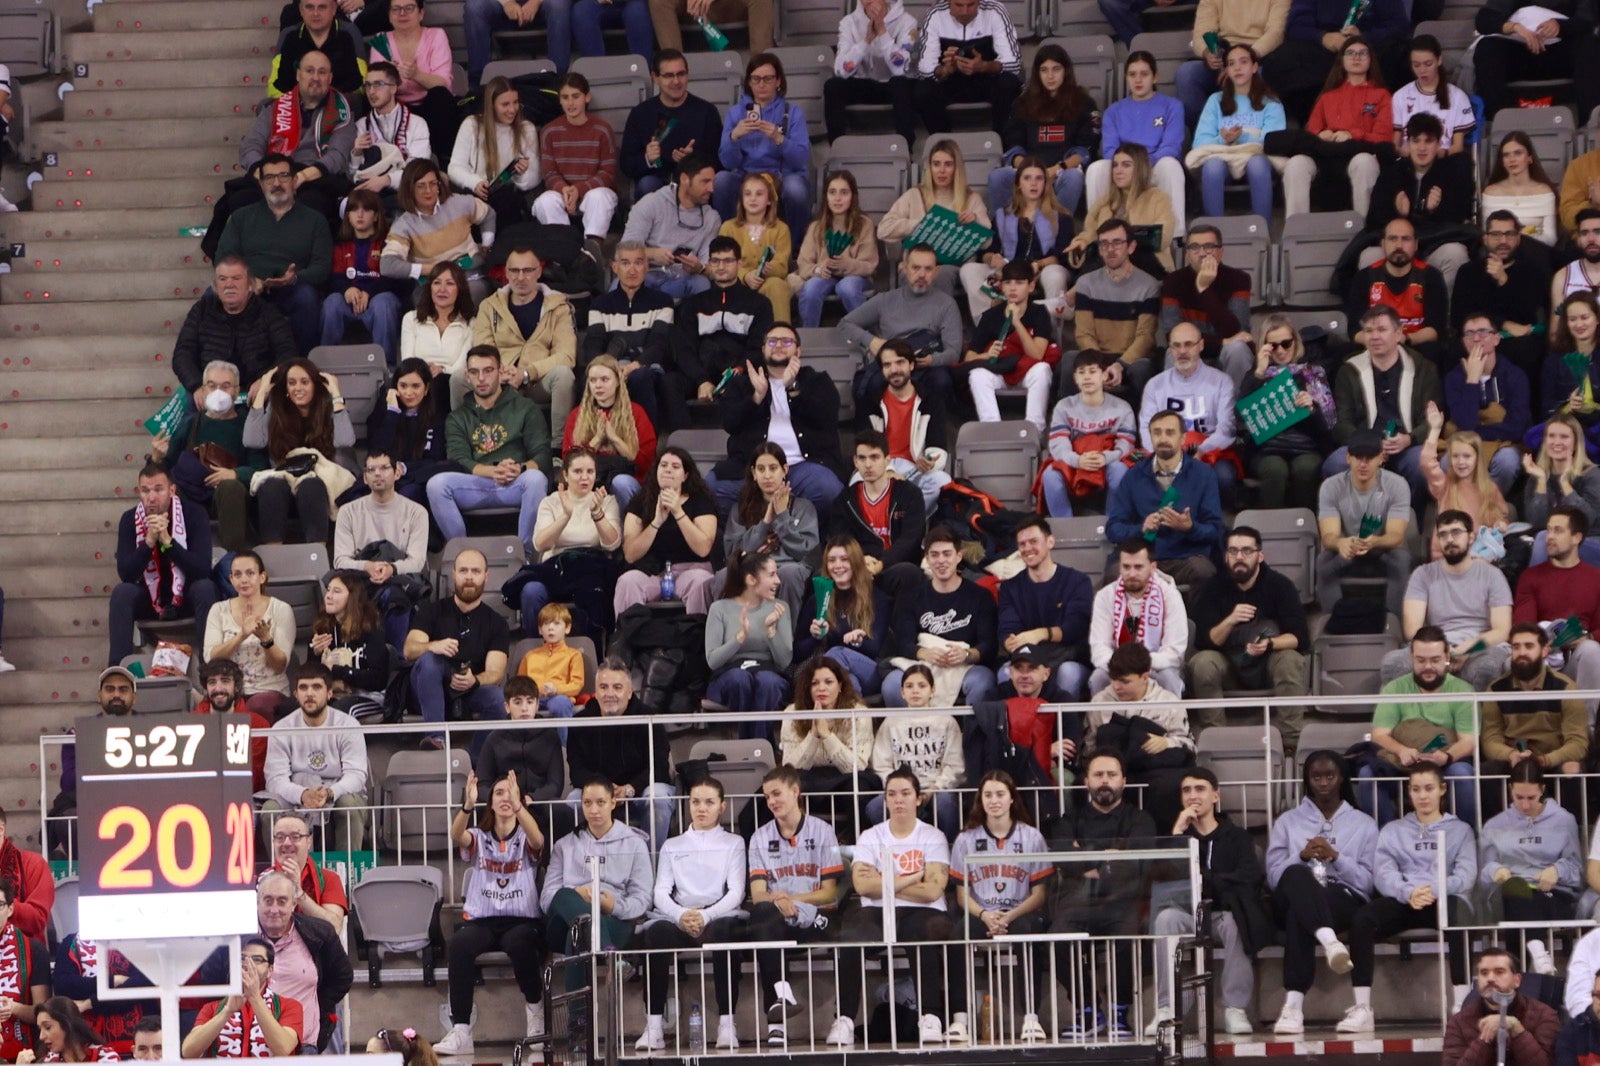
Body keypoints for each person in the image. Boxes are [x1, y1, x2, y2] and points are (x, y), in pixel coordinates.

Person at [1340, 763, 1476, 1032]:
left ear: (1442, 790)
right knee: (1363, 918)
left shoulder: (1460, 830)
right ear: (1408, 792)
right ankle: (1362, 1007)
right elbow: (1383, 873)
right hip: (1407, 898)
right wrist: (1407, 892)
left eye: (1428, 789)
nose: (1423, 796)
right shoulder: (1393, 830)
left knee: (1461, 914)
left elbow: (1466, 876)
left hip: (1444, 897)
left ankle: (1462, 1006)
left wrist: (1433, 890)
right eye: (1416, 789)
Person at [828, 767, 956, 1046]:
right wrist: (912, 877)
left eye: (905, 794)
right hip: (875, 910)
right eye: (892, 794)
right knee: (850, 936)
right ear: (885, 800)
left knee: (921, 931)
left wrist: (884, 880)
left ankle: (931, 1016)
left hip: (926, 911)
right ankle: (845, 1019)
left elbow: (933, 889)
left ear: (918, 799)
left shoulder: (932, 837)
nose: (899, 800)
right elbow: (862, 887)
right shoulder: (871, 836)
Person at [432, 770, 548, 1056]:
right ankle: (461, 1030)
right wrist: (467, 806)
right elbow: (456, 834)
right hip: (483, 920)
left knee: (520, 944)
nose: (505, 798)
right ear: (491, 803)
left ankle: (536, 1018)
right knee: (459, 944)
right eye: (499, 793)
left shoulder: (525, 833)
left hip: (521, 920)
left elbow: (538, 841)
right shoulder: (480, 837)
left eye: (510, 792)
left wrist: (520, 806)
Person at [1266, 751, 1380, 1035]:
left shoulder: (1364, 823)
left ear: (1341, 778)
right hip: (1293, 889)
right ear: (1308, 780)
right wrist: (1301, 857)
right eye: (1316, 777)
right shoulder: (1288, 821)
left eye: (1330, 776)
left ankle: (1293, 1006)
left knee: (1300, 913)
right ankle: (1330, 942)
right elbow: (1273, 877)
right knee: (1295, 875)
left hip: (1342, 897)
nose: (1323, 783)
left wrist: (1336, 857)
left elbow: (1367, 883)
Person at [1046, 751, 1157, 1040]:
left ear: (1124, 781)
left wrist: (1087, 861)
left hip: (1122, 900)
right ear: (1086, 782)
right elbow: (1062, 857)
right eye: (1098, 775)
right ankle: (1087, 1010)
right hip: (1078, 901)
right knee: (1058, 936)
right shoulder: (1068, 820)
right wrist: (1110, 858)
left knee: (1128, 936)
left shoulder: (1141, 819)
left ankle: (1120, 1010)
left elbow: (1137, 863)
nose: (1104, 781)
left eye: (1111, 774)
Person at [205, 52, 355, 264]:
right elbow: (250, 147)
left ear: (330, 78)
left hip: (315, 177)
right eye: (309, 71)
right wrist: (264, 174)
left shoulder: (343, 112)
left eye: (322, 72)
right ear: (298, 75)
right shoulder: (275, 108)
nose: (316, 77)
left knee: (315, 206)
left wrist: (299, 178)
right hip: (272, 171)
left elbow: (337, 156)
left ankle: (300, 266)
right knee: (237, 200)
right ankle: (233, 269)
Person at [1149, 767, 1266, 1036]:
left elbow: (1247, 879)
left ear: (1215, 795)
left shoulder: (1237, 837)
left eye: (1200, 789)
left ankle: (1235, 1008)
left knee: (1237, 922)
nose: (1193, 796)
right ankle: (1167, 1008)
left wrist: (1205, 880)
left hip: (1223, 912)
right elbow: (1162, 878)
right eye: (1186, 790)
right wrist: (1177, 834)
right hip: (1186, 912)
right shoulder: (1177, 838)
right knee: (1165, 919)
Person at [634, 777, 747, 1051]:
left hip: (718, 916)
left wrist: (706, 916)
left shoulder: (734, 842)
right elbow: (660, 892)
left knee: (725, 934)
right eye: (696, 801)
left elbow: (736, 892)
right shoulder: (673, 845)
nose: (701, 808)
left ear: (722, 806)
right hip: (680, 918)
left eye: (709, 802)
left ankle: (726, 1024)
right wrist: (682, 915)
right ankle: (654, 1026)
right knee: (656, 934)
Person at [739, 765, 846, 1045]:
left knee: (765, 927)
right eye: (767, 797)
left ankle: (778, 1019)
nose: (772, 801)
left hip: (816, 920)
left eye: (777, 794)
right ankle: (780, 1001)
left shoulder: (823, 831)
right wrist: (779, 902)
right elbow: (759, 894)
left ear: (795, 791)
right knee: (762, 919)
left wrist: (790, 900)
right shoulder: (760, 837)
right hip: (777, 921)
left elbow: (828, 894)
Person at [947, 770, 1054, 1042]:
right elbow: (962, 895)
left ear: (1011, 799)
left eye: (1000, 794)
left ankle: (1031, 1016)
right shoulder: (965, 839)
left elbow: (1040, 894)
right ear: (980, 800)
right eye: (988, 795)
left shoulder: (1032, 837)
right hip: (981, 912)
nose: (994, 800)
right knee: (959, 932)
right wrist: (984, 915)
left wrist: (1009, 916)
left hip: (1021, 911)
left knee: (1027, 931)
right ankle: (960, 1019)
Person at [706, 323, 845, 516]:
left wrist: (793, 387)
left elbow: (826, 418)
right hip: (753, 469)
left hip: (803, 467)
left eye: (786, 341)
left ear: (798, 350)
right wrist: (756, 398)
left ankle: (808, 542)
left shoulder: (816, 380)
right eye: (772, 341)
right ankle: (747, 541)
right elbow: (730, 423)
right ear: (763, 349)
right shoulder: (744, 383)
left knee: (828, 489)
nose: (778, 345)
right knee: (711, 488)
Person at [1188, 525, 1310, 744]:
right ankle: (1216, 738)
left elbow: (1300, 637)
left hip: (1268, 664)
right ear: (1226, 556)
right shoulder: (1213, 587)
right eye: (1233, 551)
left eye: (1246, 551)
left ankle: (1291, 740)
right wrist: (1230, 620)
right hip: (1229, 667)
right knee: (1202, 662)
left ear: (1260, 555)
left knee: (1290, 659)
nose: (1239, 557)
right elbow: (1204, 641)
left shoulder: (1280, 586)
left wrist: (1270, 644)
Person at [214, 152, 334, 356]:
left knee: (307, 297)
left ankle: (299, 364)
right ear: (261, 184)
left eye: (283, 176)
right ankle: (223, 367)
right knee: (214, 295)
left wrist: (294, 278)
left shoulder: (315, 220)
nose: (277, 183)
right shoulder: (241, 217)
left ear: (295, 180)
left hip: (292, 289)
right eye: (269, 178)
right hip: (250, 288)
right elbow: (224, 258)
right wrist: (249, 281)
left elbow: (322, 268)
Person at [1379, 510, 1513, 690]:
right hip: (1433, 646)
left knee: (1486, 668)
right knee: (1393, 663)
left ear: (1471, 537)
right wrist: (1440, 653)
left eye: (1456, 532)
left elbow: (1502, 630)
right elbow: (1413, 630)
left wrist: (1469, 649)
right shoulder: (1423, 574)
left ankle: (1477, 719)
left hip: (1480, 647)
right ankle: (1408, 719)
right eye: (1443, 534)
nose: (1449, 539)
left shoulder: (1492, 575)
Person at [430, 346, 550, 547]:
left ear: (500, 371)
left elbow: (543, 454)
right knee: (436, 484)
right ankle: (462, 552)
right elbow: (458, 459)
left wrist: (518, 469)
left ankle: (526, 553)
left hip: (515, 482)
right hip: (476, 484)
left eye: (488, 370)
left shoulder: (525, 408)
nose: (481, 378)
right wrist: (492, 472)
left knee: (536, 479)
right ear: (467, 376)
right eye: (474, 372)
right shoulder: (458, 417)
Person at [1360, 626, 1480, 826]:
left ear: (1447, 656)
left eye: (1435, 660)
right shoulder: (1395, 688)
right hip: (1404, 763)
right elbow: (1379, 735)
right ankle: (1385, 839)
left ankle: (1468, 838)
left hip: (1446, 763)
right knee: (1367, 775)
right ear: (1411, 657)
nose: (1428, 667)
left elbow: (1469, 740)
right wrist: (1402, 751)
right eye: (1421, 660)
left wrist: (1447, 756)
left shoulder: (1462, 690)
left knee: (1461, 773)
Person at [106, 462, 219, 666]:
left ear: (172, 490)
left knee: (206, 588)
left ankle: (210, 667)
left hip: (186, 597)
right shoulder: (130, 519)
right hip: (150, 599)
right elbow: (126, 573)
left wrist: (168, 543)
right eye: (145, 490)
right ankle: (117, 672)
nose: (151, 497)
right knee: (122, 593)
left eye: (158, 489)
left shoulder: (194, 514)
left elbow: (202, 569)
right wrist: (149, 542)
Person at [1326, 304, 1441, 504]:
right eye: (1368, 331)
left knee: (1421, 464)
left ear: (1398, 334)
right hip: (1364, 445)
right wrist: (1367, 445)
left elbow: (1432, 419)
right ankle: (1357, 516)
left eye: (1381, 330)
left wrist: (1409, 438)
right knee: (1335, 464)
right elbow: (1342, 422)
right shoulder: (1349, 370)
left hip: (1407, 445)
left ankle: (1409, 516)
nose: (1374, 337)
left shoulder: (1423, 368)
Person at [402, 548, 511, 750]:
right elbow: (409, 650)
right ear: (453, 574)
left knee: (497, 698)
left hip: (467, 691)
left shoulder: (496, 623)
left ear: (486, 576)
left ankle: (476, 762)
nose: (469, 577)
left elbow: (496, 673)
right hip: (428, 689)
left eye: (476, 572)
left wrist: (475, 680)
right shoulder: (432, 610)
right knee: (429, 660)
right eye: (463, 571)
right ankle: (436, 738)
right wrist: (433, 646)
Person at [1105, 408, 1225, 588]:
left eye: (1170, 432)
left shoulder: (1204, 475)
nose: (1163, 438)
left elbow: (1215, 530)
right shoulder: (1133, 476)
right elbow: (1113, 528)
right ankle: (1133, 617)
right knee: (1115, 575)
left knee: (1205, 572)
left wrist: (1190, 528)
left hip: (1186, 557)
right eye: (1157, 432)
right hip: (1142, 558)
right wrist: (1141, 529)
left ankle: (1192, 618)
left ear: (1183, 438)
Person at [539, 777, 653, 965]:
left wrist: (613, 906)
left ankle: (579, 993)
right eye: (587, 803)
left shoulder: (635, 843)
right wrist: (577, 895)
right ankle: (610, 955)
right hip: (562, 923)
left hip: (615, 921)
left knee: (576, 935)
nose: (593, 810)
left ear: (613, 803)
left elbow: (643, 899)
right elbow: (547, 900)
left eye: (601, 803)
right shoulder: (564, 845)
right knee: (565, 896)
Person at [882, 526, 999, 707]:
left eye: (947, 554)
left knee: (982, 683)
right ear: (927, 559)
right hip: (923, 664)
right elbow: (903, 643)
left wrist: (966, 655)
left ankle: (969, 736)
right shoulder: (910, 596)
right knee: (891, 685)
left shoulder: (980, 596)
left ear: (959, 556)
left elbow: (989, 645)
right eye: (935, 555)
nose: (941, 560)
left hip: (966, 666)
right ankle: (910, 732)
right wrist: (925, 653)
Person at [563, 661, 676, 847]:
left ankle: (650, 868)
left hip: (639, 793)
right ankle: (584, 867)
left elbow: (660, 766)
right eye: (603, 687)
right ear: (596, 691)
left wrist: (630, 789)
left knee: (659, 797)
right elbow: (577, 771)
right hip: (599, 795)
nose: (610, 694)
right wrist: (604, 790)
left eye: (617, 687)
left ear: (630, 691)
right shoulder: (580, 722)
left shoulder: (648, 717)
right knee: (573, 800)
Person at [261, 662, 371, 852]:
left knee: (348, 805)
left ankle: (347, 874)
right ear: (295, 694)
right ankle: (284, 877)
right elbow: (275, 779)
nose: (309, 693)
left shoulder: (348, 724)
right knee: (270, 809)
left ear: (329, 693)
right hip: (296, 790)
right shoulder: (281, 728)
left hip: (338, 791)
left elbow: (357, 775)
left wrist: (329, 793)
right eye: (303, 687)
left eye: (317, 687)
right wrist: (302, 794)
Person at [1479, 761, 1581, 965]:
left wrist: (1557, 870)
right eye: (1519, 797)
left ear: (1542, 790)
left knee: (1521, 905)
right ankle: (1537, 950)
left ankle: (1521, 974)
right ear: (1510, 790)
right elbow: (1483, 870)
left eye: (1531, 798)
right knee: (1515, 890)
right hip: (1511, 893)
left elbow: (1577, 868)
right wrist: (1495, 870)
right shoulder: (1495, 824)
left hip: (1552, 894)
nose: (1524, 805)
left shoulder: (1563, 820)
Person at [242, 359, 355, 544]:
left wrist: (335, 393)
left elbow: (345, 440)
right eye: (292, 383)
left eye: (305, 382)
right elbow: (252, 441)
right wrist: (263, 390)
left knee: (311, 485)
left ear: (316, 385)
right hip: (283, 487)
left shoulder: (329, 410)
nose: (298, 388)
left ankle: (316, 553)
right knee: (271, 484)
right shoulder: (276, 410)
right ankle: (273, 555)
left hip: (319, 489)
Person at [1278, 35, 1392, 218]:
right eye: (1351, 53)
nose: (1356, 57)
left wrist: (1352, 134)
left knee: (1364, 161)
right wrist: (1320, 134)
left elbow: (1384, 137)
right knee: (1296, 163)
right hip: (1326, 155)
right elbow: (1311, 131)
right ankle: (1296, 229)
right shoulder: (1328, 95)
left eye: (1362, 53)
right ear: (1342, 59)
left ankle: (1365, 229)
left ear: (1371, 60)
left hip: (1358, 154)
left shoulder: (1382, 95)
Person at [515, 449, 621, 644]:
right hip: (555, 569)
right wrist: (566, 515)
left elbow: (613, 543)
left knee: (593, 592)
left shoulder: (606, 501)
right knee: (531, 591)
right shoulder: (551, 502)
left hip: (590, 568)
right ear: (565, 474)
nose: (584, 477)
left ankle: (595, 656)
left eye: (590, 472)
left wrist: (597, 514)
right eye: (577, 471)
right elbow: (540, 543)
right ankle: (534, 650)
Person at [1084, 643, 1196, 827]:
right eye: (1113, 679)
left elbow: (1189, 745)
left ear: (1145, 676)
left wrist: (1167, 742)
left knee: (1167, 786)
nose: (1116, 686)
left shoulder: (1168, 701)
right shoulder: (1099, 701)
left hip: (1154, 772)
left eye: (1124, 681)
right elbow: (1090, 746)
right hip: (1114, 772)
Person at [471, 248, 576, 435]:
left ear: (539, 272)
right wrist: (499, 372)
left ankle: (558, 449)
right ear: (506, 273)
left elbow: (566, 355)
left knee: (564, 374)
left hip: (539, 380)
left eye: (527, 270)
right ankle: (462, 443)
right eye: (514, 270)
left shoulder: (558, 306)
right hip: (499, 377)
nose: (521, 277)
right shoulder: (489, 306)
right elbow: (481, 350)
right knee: (457, 379)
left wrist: (526, 373)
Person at [1363, 118, 1475, 294]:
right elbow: (1373, 220)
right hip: (1398, 247)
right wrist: (1398, 214)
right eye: (1416, 141)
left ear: (1439, 144)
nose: (1422, 148)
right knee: (1369, 256)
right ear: (1408, 143)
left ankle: (1441, 319)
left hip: (1433, 247)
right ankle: (1380, 319)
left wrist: (1431, 211)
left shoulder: (1452, 173)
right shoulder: (1392, 173)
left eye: (1429, 141)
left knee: (1456, 253)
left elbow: (1459, 220)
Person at [246, 870, 353, 1051]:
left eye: (282, 901)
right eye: (268, 900)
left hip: (302, 1045)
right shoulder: (239, 938)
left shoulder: (320, 934)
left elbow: (342, 977)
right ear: (257, 902)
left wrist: (318, 1006)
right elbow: (216, 980)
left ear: (294, 904)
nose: (274, 909)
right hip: (250, 1047)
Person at [332, 447, 431, 642]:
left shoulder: (417, 512)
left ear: (396, 473)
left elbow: (417, 561)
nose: (377, 473)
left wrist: (391, 568)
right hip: (361, 580)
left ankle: (398, 659)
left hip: (399, 579)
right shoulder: (347, 511)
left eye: (384, 468)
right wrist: (368, 566)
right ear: (365, 478)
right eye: (371, 470)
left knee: (394, 595)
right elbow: (340, 561)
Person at [1315, 426, 1415, 617]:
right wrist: (1341, 543)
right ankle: (1334, 621)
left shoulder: (1397, 485)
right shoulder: (1331, 486)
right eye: (1358, 457)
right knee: (1323, 562)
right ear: (1348, 458)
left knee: (1402, 559)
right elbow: (1328, 536)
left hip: (1381, 548)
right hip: (1347, 549)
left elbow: (1396, 536)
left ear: (1381, 458)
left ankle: (1393, 622)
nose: (1363, 463)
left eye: (1369, 457)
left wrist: (1374, 541)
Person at [1139, 321, 1241, 505]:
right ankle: (1163, 528)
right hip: (1166, 454)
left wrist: (1201, 451)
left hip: (1210, 453)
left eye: (1188, 344)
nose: (1182, 351)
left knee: (1224, 477)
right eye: (1176, 346)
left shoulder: (1221, 382)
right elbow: (1147, 430)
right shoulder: (1155, 385)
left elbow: (1226, 429)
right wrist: (1168, 456)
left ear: (1201, 345)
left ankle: (1216, 525)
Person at [1084, 53, 1186, 236]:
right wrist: (1128, 166)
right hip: (1124, 168)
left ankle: (1175, 235)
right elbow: (1110, 150)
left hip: (1154, 166)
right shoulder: (1113, 111)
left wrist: (1141, 165)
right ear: (1126, 78)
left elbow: (1171, 146)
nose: (1138, 80)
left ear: (1155, 77)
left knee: (1170, 165)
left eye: (1144, 74)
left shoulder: (1172, 106)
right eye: (1132, 74)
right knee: (1096, 169)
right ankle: (1097, 232)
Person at [714, 54, 811, 245]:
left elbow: (801, 158)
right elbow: (727, 162)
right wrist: (734, 137)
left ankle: (795, 249)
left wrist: (779, 139)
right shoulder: (736, 113)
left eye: (768, 78)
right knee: (721, 181)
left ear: (778, 81)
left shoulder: (792, 112)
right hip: (747, 175)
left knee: (796, 189)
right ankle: (729, 245)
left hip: (782, 175)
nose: (761, 84)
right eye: (756, 79)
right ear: (749, 82)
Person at [1240, 314, 1335, 509]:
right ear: (1264, 347)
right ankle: (1270, 529)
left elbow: (1328, 427)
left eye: (1286, 343)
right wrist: (1259, 373)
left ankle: (1303, 525)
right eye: (1273, 346)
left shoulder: (1313, 373)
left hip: (1307, 446)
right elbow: (1242, 419)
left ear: (1296, 342)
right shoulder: (1255, 375)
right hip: (1266, 449)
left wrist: (1311, 408)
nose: (1281, 351)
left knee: (1306, 468)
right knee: (1274, 469)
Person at [1259, 0, 1407, 125]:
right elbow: (1297, 26)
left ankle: (1377, 122)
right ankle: (1313, 124)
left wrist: (1364, 38)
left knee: (1401, 52)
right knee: (1278, 62)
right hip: (1323, 49)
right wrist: (1323, 37)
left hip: (1370, 47)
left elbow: (1398, 25)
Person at [991, 44, 1098, 216]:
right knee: (997, 177)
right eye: (1044, 70)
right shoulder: (1022, 104)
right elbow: (1013, 147)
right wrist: (1030, 172)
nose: (1050, 76)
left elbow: (1084, 151)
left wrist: (1057, 169)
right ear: (1037, 73)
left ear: (1066, 71)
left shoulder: (1083, 102)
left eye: (1056, 69)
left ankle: (1058, 233)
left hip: (1063, 170)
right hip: (1028, 170)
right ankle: (1004, 234)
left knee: (1074, 178)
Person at [171, 258, 297, 402]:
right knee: (188, 413)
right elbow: (182, 354)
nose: (229, 284)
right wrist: (197, 385)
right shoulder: (201, 309)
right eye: (222, 279)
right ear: (215, 286)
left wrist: (267, 380)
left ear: (250, 285)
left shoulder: (268, 312)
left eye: (236, 278)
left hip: (256, 394)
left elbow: (288, 353)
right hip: (208, 392)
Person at [824, 431, 929, 604]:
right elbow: (840, 540)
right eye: (862, 458)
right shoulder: (845, 500)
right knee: (820, 577)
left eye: (874, 457)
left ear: (887, 460)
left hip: (895, 566)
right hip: (856, 569)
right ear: (855, 462)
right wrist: (860, 562)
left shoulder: (909, 494)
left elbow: (912, 538)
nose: (868, 464)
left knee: (908, 573)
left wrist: (881, 564)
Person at [879, 141, 992, 301]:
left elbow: (987, 242)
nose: (942, 170)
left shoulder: (971, 199)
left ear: (956, 168)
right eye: (936, 164)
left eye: (948, 164)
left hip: (951, 266)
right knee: (913, 271)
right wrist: (918, 224)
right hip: (917, 263)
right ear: (929, 167)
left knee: (941, 273)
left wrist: (976, 222)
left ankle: (934, 322)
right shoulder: (915, 194)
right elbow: (883, 230)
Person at [961, 255, 1064, 431]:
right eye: (1008, 283)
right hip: (999, 370)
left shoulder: (1039, 313)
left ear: (1031, 286)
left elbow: (1037, 354)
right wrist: (986, 355)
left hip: (1027, 371)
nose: (1013, 288)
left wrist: (1016, 322)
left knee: (1043, 370)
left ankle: (1034, 430)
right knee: (977, 375)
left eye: (1019, 282)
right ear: (1002, 287)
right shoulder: (990, 316)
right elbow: (969, 357)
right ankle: (992, 429)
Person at [839, 244, 966, 385]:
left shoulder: (947, 304)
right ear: (905, 268)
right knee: (869, 383)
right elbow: (845, 324)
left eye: (928, 269)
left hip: (928, 366)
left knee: (941, 381)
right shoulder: (884, 300)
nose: (922, 275)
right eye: (916, 268)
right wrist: (872, 341)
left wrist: (932, 360)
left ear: (936, 271)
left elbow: (953, 353)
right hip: (892, 363)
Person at [963, 157, 1073, 320]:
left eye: (1039, 178)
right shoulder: (1003, 215)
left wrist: (1039, 264)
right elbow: (987, 251)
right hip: (1010, 270)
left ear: (1046, 184)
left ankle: (1048, 336)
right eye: (1027, 178)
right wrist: (992, 258)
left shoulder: (1061, 217)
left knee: (1054, 275)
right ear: (1018, 184)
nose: (1033, 183)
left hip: (1042, 270)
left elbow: (1062, 255)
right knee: (969, 270)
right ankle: (987, 324)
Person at [1188, 43, 1287, 223]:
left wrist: (1241, 137)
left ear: (1255, 67)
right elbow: (1200, 143)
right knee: (1212, 167)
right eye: (1231, 64)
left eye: (1243, 62)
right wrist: (1223, 139)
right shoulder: (1215, 100)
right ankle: (1214, 229)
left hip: (1257, 157)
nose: (1238, 68)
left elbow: (1275, 141)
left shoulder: (1271, 102)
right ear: (1226, 70)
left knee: (1257, 164)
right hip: (1223, 156)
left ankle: (1262, 227)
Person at [1070, 217, 1164, 405]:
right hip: (1097, 356)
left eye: (1117, 243)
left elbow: (1145, 337)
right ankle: (1066, 422)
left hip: (1131, 359)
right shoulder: (1086, 284)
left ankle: (1139, 428)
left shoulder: (1148, 286)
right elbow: (1083, 334)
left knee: (1142, 367)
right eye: (1104, 244)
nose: (1110, 249)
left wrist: (1120, 365)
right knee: (1070, 360)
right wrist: (1099, 366)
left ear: (1131, 247)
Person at [997, 516, 1093, 700]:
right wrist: (1008, 641)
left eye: (1033, 541)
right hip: (1026, 660)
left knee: (1069, 673)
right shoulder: (1010, 587)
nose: (1027, 548)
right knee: (1004, 673)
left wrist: (1040, 634)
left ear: (1050, 541)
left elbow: (1076, 627)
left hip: (1067, 659)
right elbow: (1007, 629)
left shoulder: (1077, 581)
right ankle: (1015, 726)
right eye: (1022, 544)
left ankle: (1066, 727)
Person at [615, 447, 719, 616]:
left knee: (702, 581)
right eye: (663, 465)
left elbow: (703, 548)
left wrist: (678, 512)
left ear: (685, 475)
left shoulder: (701, 502)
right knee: (627, 581)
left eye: (675, 466)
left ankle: (697, 638)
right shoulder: (641, 502)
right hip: (651, 573)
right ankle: (629, 638)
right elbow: (630, 554)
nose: (668, 469)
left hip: (690, 571)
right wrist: (656, 522)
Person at [581, 242, 674, 430]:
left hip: (645, 366)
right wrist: (612, 370)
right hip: (611, 365)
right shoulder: (600, 304)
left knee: (641, 377)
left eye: (638, 263)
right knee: (590, 379)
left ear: (647, 267)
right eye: (625, 263)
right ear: (615, 267)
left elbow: (658, 345)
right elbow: (593, 345)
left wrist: (633, 366)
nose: (632, 270)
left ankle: (646, 445)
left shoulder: (662, 302)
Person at [673, 236, 775, 408]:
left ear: (739, 264)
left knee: (745, 384)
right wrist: (702, 380)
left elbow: (759, 346)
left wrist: (739, 370)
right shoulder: (692, 304)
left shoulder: (759, 304)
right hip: (701, 373)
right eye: (715, 261)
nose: (721, 267)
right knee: (670, 383)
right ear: (709, 263)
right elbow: (684, 349)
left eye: (728, 261)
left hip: (740, 371)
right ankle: (679, 434)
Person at [866, 663, 964, 838]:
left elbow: (954, 765)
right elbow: (882, 765)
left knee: (945, 805)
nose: (915, 691)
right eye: (909, 686)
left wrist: (935, 788)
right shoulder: (891, 722)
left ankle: (948, 851)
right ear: (902, 692)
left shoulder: (947, 721)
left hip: (936, 789)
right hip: (900, 789)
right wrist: (898, 789)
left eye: (922, 685)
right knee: (874, 808)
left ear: (932, 690)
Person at [1345, 218, 1451, 379]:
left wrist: (1406, 339)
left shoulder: (1431, 276)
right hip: (1375, 344)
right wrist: (1380, 341)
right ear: (1383, 243)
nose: (1399, 245)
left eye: (1406, 239)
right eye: (1393, 239)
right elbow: (1355, 330)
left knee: (1436, 352)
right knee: (1346, 355)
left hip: (1414, 343)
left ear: (1415, 244)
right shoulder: (1364, 277)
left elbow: (1436, 329)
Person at [723, 444, 821, 616]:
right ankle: (730, 636)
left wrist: (782, 515)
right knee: (721, 576)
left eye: (773, 468)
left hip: (788, 567)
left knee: (790, 573)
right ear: (754, 473)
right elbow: (733, 553)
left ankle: (786, 638)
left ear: (784, 470)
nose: (767, 475)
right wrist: (766, 521)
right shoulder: (740, 509)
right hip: (751, 567)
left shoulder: (804, 507)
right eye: (761, 469)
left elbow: (806, 553)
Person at [1441, 311, 1533, 495]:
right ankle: (1465, 505)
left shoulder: (1515, 376)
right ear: (1463, 341)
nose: (1476, 338)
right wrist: (1472, 380)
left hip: (1505, 445)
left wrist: (1477, 432)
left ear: (1496, 339)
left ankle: (1490, 506)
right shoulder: (1454, 378)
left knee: (1507, 462)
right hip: (1465, 445)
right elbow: (1465, 424)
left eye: (1483, 332)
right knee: (1445, 462)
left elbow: (1516, 427)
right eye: (1469, 333)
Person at [777, 658, 877, 825]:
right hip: (807, 779)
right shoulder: (793, 712)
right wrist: (813, 736)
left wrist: (827, 735)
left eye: (828, 682)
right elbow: (790, 767)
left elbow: (857, 766)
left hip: (845, 778)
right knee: (773, 792)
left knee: (860, 787)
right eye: (814, 683)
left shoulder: (858, 713)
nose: (821, 688)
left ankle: (858, 846)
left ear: (840, 686)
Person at [1482, 626, 1588, 779]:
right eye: (1516, 647)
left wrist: (1545, 760)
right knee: (1489, 769)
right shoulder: (1496, 689)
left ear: (1545, 651)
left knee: (1571, 768)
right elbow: (1490, 741)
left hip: (1552, 760)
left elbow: (1578, 743)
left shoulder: (1565, 688)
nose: (1522, 653)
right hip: (1514, 760)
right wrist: (1511, 755)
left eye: (1529, 646)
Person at [1515, 505, 1600, 696]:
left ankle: (1584, 724)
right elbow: (1523, 625)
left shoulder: (1596, 579)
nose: (1549, 536)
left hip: (1577, 658)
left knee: (1591, 650)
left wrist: (1586, 638)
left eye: (1558, 531)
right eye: (1549, 530)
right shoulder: (1531, 577)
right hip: (1541, 659)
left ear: (1576, 538)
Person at [1088, 537, 1189, 696]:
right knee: (1098, 678)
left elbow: (1175, 652)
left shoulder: (1170, 595)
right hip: (1116, 668)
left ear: (1153, 567)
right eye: (1126, 567)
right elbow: (1099, 648)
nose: (1132, 573)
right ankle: (1102, 722)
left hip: (1158, 667)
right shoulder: (1105, 596)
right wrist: (1122, 666)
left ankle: (1172, 721)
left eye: (1138, 567)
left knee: (1169, 678)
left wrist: (1138, 665)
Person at [1158, 223, 1254, 390]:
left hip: (1227, 352)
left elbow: (1237, 331)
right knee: (1172, 352)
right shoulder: (1172, 282)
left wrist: (1204, 289)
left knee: (1237, 349)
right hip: (1191, 348)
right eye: (1195, 247)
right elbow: (1172, 336)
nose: (1202, 253)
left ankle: (1235, 412)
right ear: (1187, 254)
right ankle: (1176, 412)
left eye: (1208, 246)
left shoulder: (1239, 279)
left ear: (1220, 252)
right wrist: (1222, 341)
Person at [1040, 352, 1137, 517]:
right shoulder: (1064, 406)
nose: (1087, 377)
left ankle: (1113, 524)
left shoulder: (1122, 408)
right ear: (1075, 378)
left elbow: (1126, 445)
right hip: (1074, 460)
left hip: (1108, 461)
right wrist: (1078, 460)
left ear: (1104, 375)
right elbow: (1058, 445)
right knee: (1050, 475)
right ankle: (1065, 529)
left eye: (1092, 371)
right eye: (1081, 372)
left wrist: (1105, 458)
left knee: (1120, 471)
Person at [795, 540, 893, 702]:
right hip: (833, 676)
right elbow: (798, 654)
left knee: (837, 653)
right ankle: (847, 726)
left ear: (856, 562)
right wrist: (815, 637)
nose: (837, 565)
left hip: (870, 671)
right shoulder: (818, 599)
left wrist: (856, 641)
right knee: (849, 682)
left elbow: (874, 648)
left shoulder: (877, 598)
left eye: (844, 559)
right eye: (832, 560)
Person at [906, 0, 1022, 136]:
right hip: (950, 83)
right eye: (959, 5)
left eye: (971, 5)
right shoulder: (935, 14)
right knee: (922, 91)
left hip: (986, 81)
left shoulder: (996, 11)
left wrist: (985, 66)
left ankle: (1002, 141)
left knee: (1009, 83)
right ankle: (943, 141)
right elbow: (924, 70)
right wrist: (945, 70)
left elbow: (1014, 63)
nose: (965, 11)